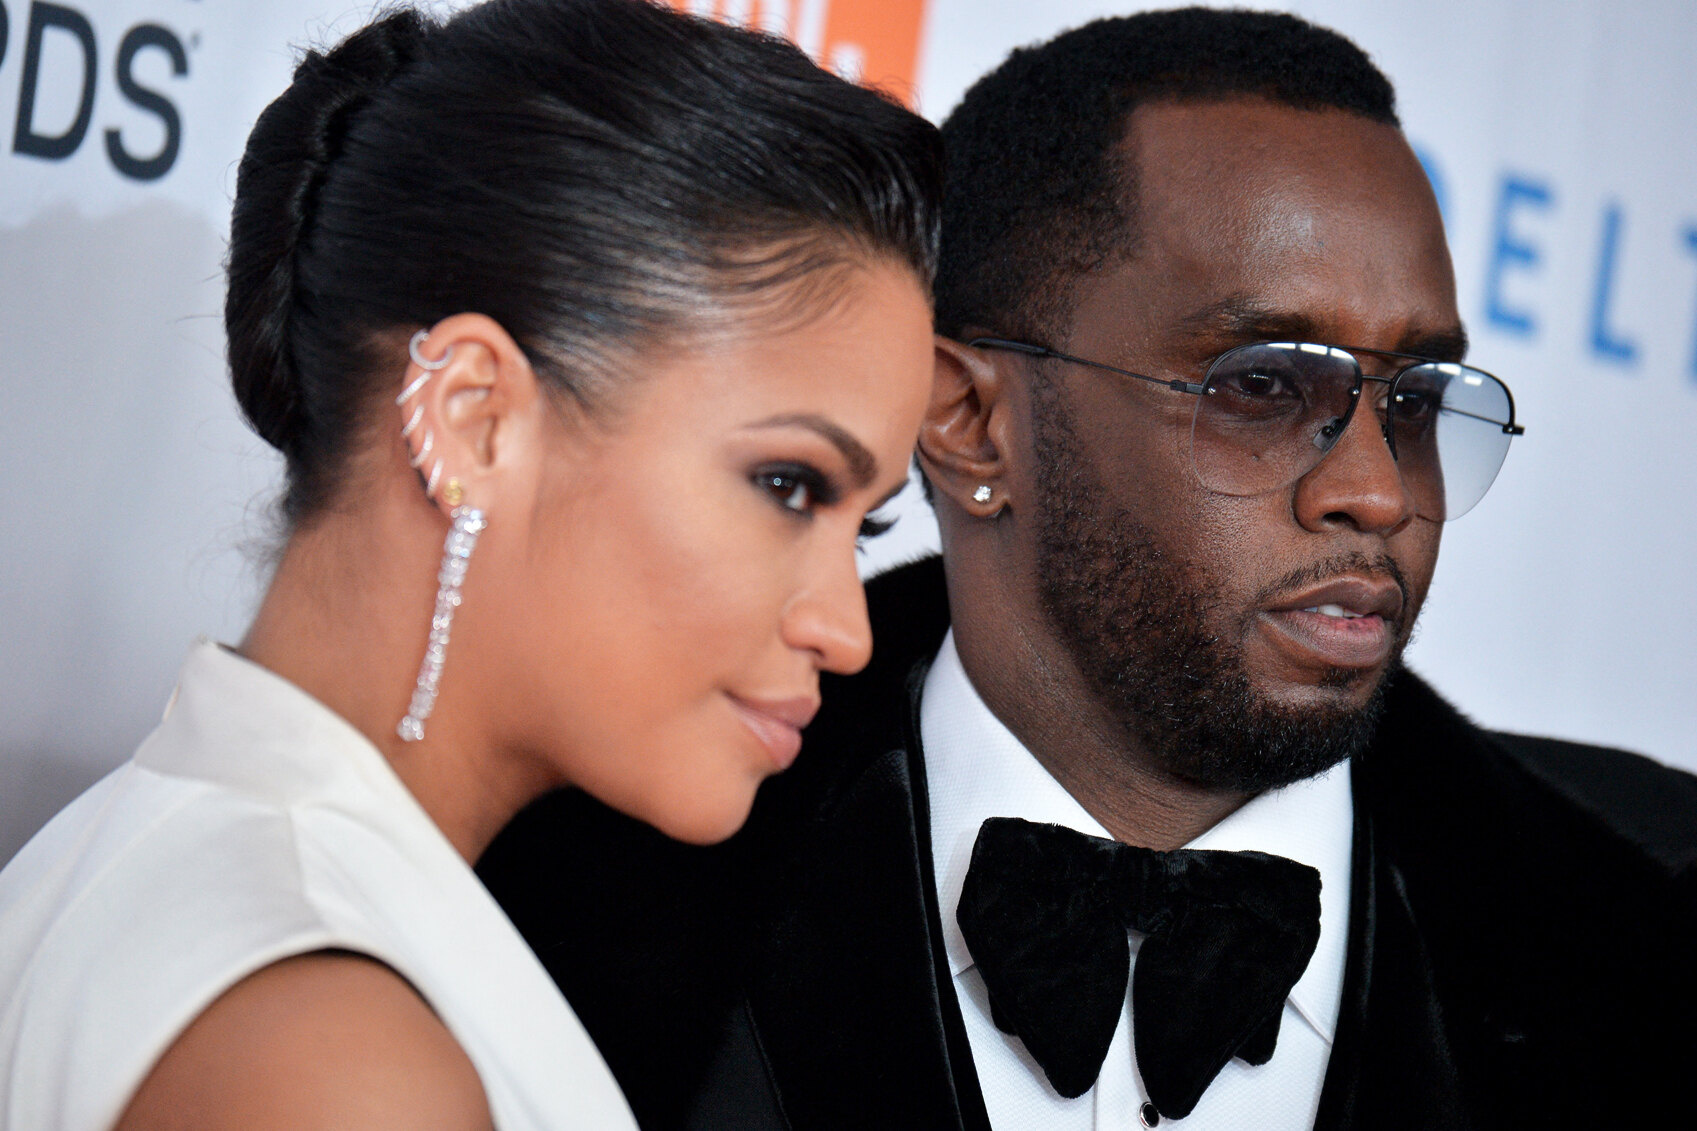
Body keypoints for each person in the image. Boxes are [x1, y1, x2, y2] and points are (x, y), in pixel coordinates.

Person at [479, 8, 1697, 1130]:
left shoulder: (1655, 912)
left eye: (1414, 400)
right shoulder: (571, 885)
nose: (1376, 493)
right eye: (1262, 385)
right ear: (969, 422)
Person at [0, 1, 942, 1127]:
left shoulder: (173, 866)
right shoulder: (334, 1060)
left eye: (865, 528)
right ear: (471, 419)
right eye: (788, 485)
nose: (847, 629)